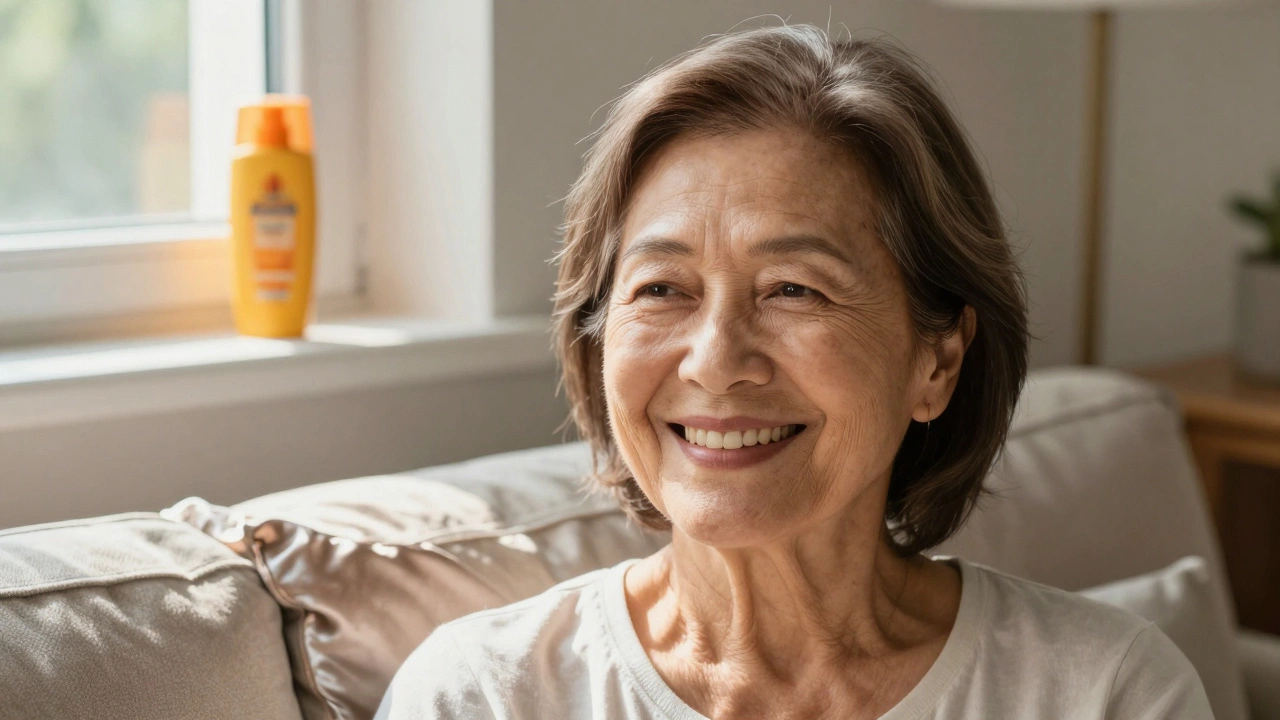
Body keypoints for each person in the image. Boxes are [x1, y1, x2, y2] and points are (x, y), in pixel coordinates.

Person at [376, 24, 1211, 719]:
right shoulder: (480, 695)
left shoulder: (1109, 691)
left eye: (793, 290)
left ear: (938, 359)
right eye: (662, 288)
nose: (715, 360)